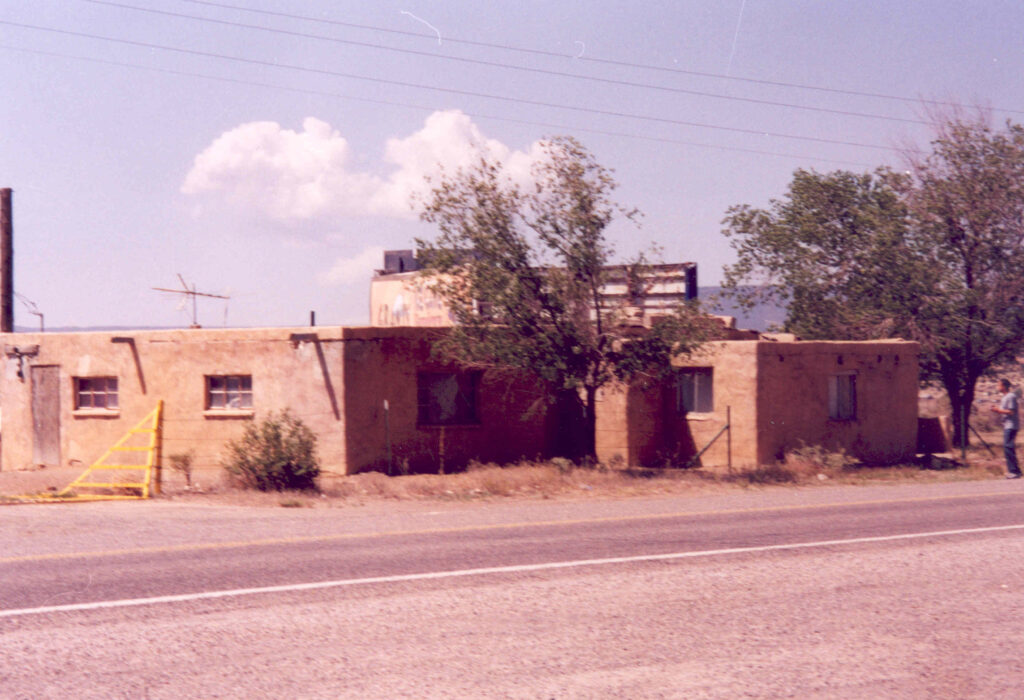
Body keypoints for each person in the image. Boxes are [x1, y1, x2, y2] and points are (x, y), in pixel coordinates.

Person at [990, 378, 1021, 479]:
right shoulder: (1005, 397)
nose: (998, 387)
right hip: (1007, 425)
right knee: (1008, 447)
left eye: (999, 385)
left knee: (1008, 448)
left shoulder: (1010, 396)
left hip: (1011, 426)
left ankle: (1014, 471)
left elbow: (1011, 411)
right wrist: (997, 409)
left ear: (1004, 386)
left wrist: (998, 410)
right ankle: (1015, 470)